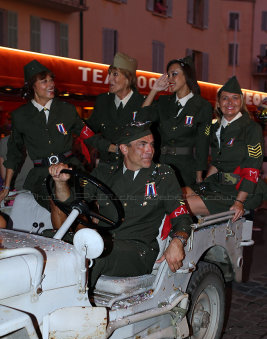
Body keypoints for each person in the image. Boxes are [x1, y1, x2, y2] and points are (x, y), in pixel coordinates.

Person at [49, 122, 193, 288]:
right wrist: (60, 183)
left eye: (152, 144)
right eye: (142, 145)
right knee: (49, 241)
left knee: (93, 253)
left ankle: (76, 306)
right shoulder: (106, 172)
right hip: (103, 241)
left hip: (139, 251)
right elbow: (71, 203)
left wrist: (178, 241)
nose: (150, 150)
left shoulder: (163, 175)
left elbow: (181, 217)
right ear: (124, 149)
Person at [0, 59, 93, 227]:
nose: (51, 84)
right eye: (44, 81)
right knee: (56, 201)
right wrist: (6, 187)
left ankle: (77, 247)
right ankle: (68, 246)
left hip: (71, 168)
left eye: (51, 79)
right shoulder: (20, 115)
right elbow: (13, 153)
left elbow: (88, 135)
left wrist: (112, 147)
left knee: (78, 206)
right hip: (41, 175)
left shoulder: (67, 109)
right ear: (32, 86)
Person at [183, 76, 267, 222]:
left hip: (243, 190)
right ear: (219, 102)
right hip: (220, 185)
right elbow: (216, 163)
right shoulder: (216, 128)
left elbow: (252, 168)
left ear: (241, 102)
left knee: (182, 205)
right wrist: (204, 184)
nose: (230, 103)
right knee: (179, 194)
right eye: (225, 98)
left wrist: (239, 202)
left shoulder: (251, 128)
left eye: (235, 98)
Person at [137, 56, 213, 187]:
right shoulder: (164, 102)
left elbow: (202, 143)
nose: (170, 79)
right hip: (160, 164)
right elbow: (140, 119)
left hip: (185, 169)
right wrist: (154, 90)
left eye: (174, 74)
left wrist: (199, 176)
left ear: (187, 76)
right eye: (168, 75)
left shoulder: (202, 106)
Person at [85, 52, 146, 170]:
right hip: (106, 169)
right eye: (109, 74)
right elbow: (87, 131)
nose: (109, 79)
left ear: (128, 79)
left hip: (132, 170)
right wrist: (107, 146)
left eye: (115, 74)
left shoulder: (142, 103)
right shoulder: (103, 101)